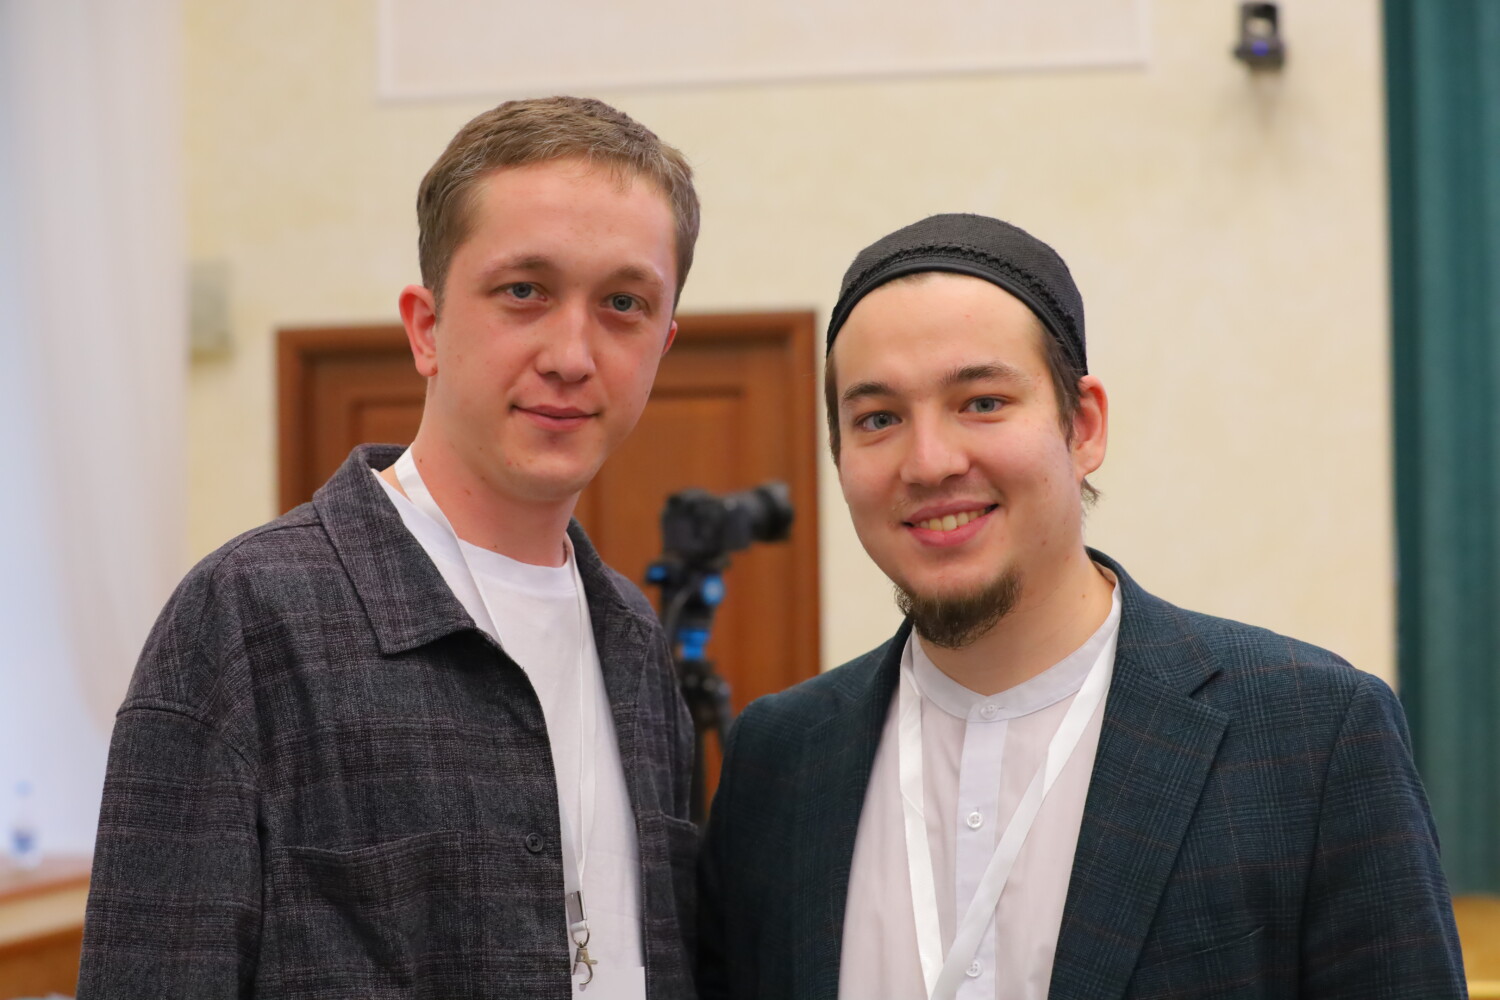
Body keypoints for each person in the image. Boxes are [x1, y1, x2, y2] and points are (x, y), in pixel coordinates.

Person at [697, 213, 1466, 1000]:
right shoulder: (779, 762)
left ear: (1084, 426)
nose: (928, 462)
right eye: (879, 419)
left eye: (982, 402)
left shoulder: (1312, 733)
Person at [79, 96, 700, 1000]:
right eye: (524, 291)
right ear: (426, 328)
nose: (573, 354)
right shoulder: (249, 621)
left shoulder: (636, 645)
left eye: (623, 304)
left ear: (663, 345)